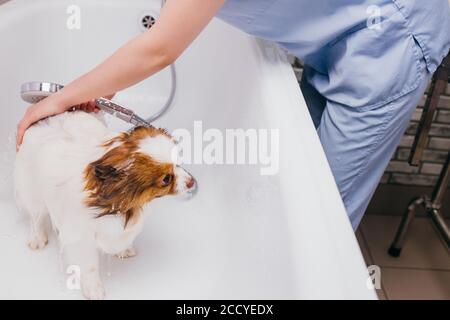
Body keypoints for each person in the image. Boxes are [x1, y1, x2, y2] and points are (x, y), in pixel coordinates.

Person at [16, 0, 450, 230]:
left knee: (321, 220)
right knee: (300, 187)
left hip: (389, 40)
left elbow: (160, 47)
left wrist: (62, 97)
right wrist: (102, 85)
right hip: (332, 34)